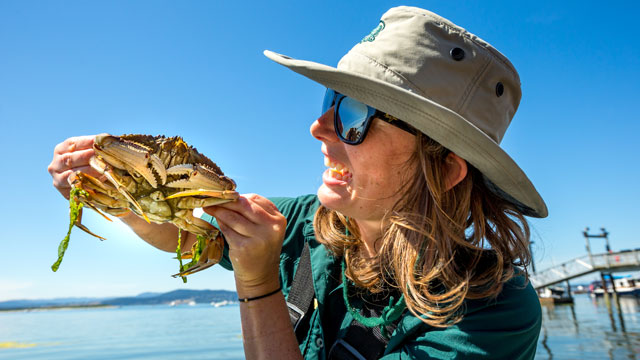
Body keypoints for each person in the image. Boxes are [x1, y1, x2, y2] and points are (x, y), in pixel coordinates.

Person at [48, 6, 547, 360]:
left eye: (354, 116)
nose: (319, 126)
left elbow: (243, 262)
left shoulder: (492, 313)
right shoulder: (304, 225)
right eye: (328, 100)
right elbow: (189, 236)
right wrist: (119, 193)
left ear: (443, 168)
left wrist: (257, 282)